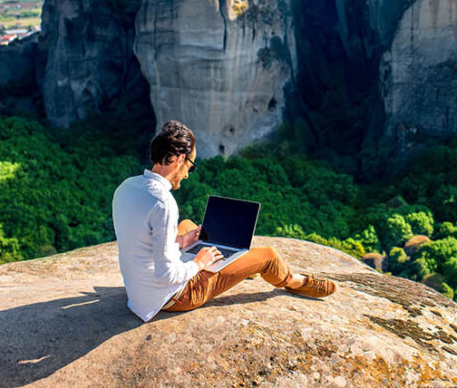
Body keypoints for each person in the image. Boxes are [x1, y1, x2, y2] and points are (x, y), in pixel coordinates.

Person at [112, 120, 336, 322]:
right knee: (268, 256)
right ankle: (293, 281)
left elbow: (142, 242)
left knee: (189, 227)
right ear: (180, 159)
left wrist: (181, 242)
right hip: (172, 297)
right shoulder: (163, 203)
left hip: (138, 292)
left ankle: (235, 265)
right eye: (191, 165)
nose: (188, 174)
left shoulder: (126, 187)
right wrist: (199, 263)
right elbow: (167, 275)